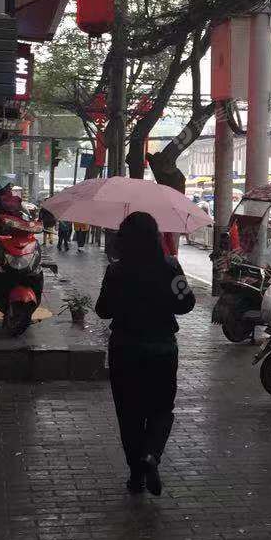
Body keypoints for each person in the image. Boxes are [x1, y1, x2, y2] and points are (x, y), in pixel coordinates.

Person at [95, 211, 195, 495]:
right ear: (155, 237)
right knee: (161, 409)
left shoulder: (115, 271)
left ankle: (136, 476)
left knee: (129, 414)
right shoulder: (171, 267)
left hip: (125, 350)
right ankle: (152, 454)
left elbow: (103, 310)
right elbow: (186, 303)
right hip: (162, 350)